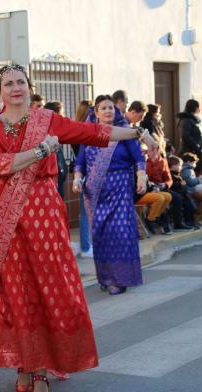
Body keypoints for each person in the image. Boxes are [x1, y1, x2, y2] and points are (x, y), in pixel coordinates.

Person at [0, 65, 155, 392]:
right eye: (8, 84)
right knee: (17, 291)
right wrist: (42, 151)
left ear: (29, 88)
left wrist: (135, 132)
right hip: (5, 217)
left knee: (49, 287)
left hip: (43, 214)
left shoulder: (47, 120)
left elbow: (95, 134)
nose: (16, 88)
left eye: (21, 82)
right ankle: (25, 364)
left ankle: (41, 369)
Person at [74, 94, 147, 293]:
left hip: (120, 186)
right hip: (95, 191)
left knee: (120, 232)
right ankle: (105, 277)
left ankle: (120, 279)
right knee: (101, 234)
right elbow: (80, 161)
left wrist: (141, 176)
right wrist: (77, 178)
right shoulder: (89, 135)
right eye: (103, 108)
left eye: (111, 108)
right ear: (95, 113)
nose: (108, 111)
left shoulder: (125, 133)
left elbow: (138, 157)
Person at [72, 99, 93, 258]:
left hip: (81, 174)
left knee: (86, 212)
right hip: (87, 173)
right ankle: (86, 247)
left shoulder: (75, 130)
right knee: (87, 212)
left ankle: (87, 245)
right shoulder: (85, 132)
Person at [44, 101, 69, 198]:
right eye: (62, 113)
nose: (64, 116)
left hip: (58, 181)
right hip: (53, 183)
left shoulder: (57, 133)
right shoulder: (49, 136)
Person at [177, 99, 202, 167]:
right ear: (195, 108)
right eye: (198, 107)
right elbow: (186, 136)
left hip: (195, 151)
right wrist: (196, 146)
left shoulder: (193, 120)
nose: (199, 109)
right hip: (189, 152)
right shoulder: (187, 120)